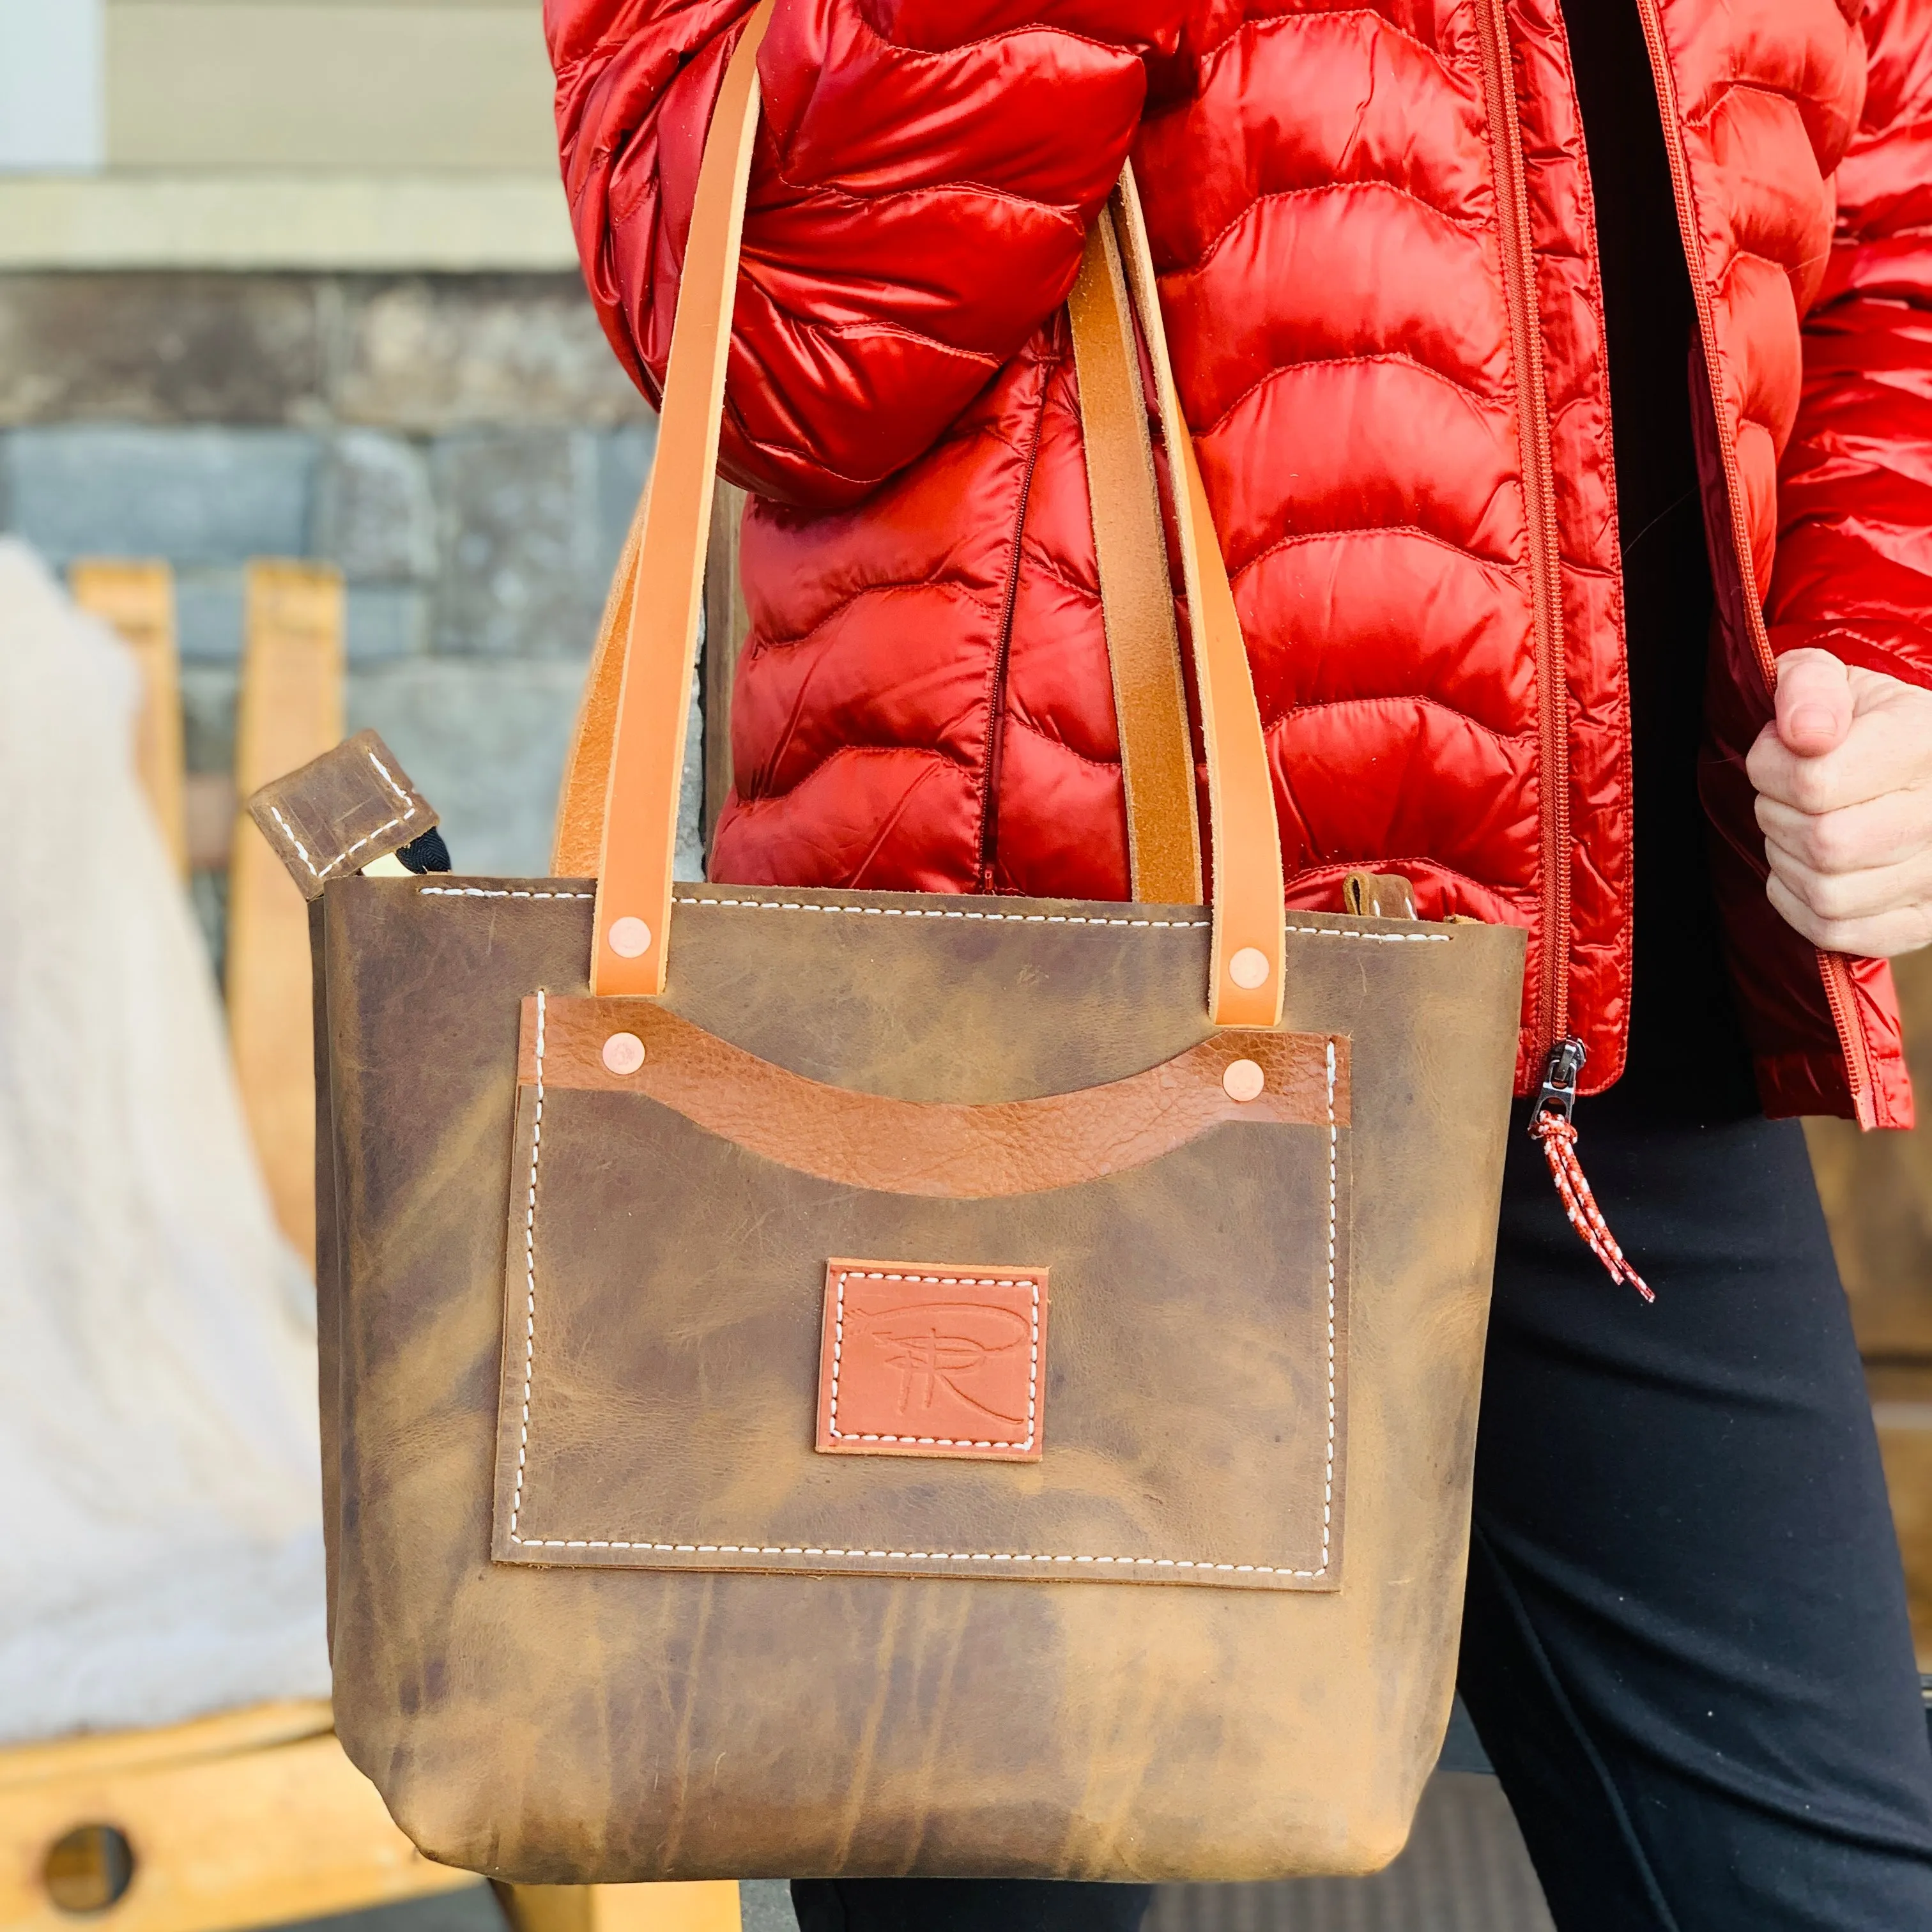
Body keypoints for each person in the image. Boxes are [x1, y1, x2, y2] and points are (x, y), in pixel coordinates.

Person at [545, 0, 1932, 1924]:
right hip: (1023, 1057)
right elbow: (779, 339)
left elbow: (1883, 196)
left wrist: (1887, 634)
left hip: (1591, 1065)